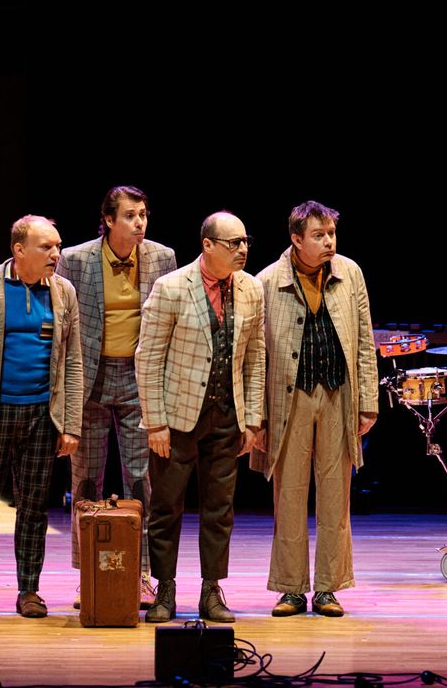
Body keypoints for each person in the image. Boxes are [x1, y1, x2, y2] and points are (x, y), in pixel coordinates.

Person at [0, 215, 84, 618]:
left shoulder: (64, 292)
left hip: (42, 415)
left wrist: (70, 424)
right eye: (47, 247)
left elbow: (73, 361)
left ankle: (29, 591)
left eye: (58, 246)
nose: (56, 254)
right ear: (19, 250)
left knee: (34, 508)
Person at [135, 211, 265, 623]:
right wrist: (156, 422)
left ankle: (211, 590)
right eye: (233, 243)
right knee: (166, 506)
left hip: (227, 416)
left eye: (245, 241)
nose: (242, 250)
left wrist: (253, 419)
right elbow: (148, 358)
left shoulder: (250, 288)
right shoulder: (171, 287)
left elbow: (256, 356)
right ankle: (165, 589)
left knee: (219, 509)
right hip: (177, 419)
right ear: (207, 245)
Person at [251, 200, 378, 617]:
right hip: (289, 399)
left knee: (335, 495)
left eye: (331, 234)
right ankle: (291, 588)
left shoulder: (350, 273)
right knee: (288, 495)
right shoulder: (267, 281)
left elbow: (364, 341)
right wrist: (257, 416)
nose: (328, 243)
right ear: (296, 239)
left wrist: (368, 402)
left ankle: (328, 587)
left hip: (338, 394)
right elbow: (255, 354)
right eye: (319, 236)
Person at [55, 185, 176, 606]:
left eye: (143, 214)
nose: (139, 223)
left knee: (141, 479)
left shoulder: (161, 257)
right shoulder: (75, 260)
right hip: (91, 376)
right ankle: (89, 571)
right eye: (129, 215)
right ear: (108, 220)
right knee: (85, 477)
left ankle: (140, 573)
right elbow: (65, 327)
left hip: (138, 378)